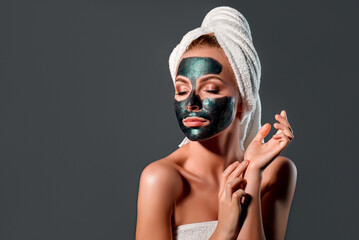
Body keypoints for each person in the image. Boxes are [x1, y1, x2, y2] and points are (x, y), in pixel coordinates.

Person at [136, 6, 296, 240]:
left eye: (210, 89)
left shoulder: (275, 172)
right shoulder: (161, 179)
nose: (191, 102)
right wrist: (224, 230)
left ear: (243, 100)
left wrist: (252, 176)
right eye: (181, 90)